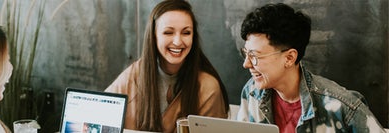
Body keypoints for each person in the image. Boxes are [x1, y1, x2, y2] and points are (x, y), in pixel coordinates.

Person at [236, 3, 385, 133]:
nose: (246, 64)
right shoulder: (251, 92)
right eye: (246, 54)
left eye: (255, 56)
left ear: (289, 58)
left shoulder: (343, 107)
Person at [105, 0, 229, 132]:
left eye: (186, 33)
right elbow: (100, 114)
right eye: (168, 33)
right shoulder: (134, 74)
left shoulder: (208, 87)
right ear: (154, 36)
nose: (177, 41)